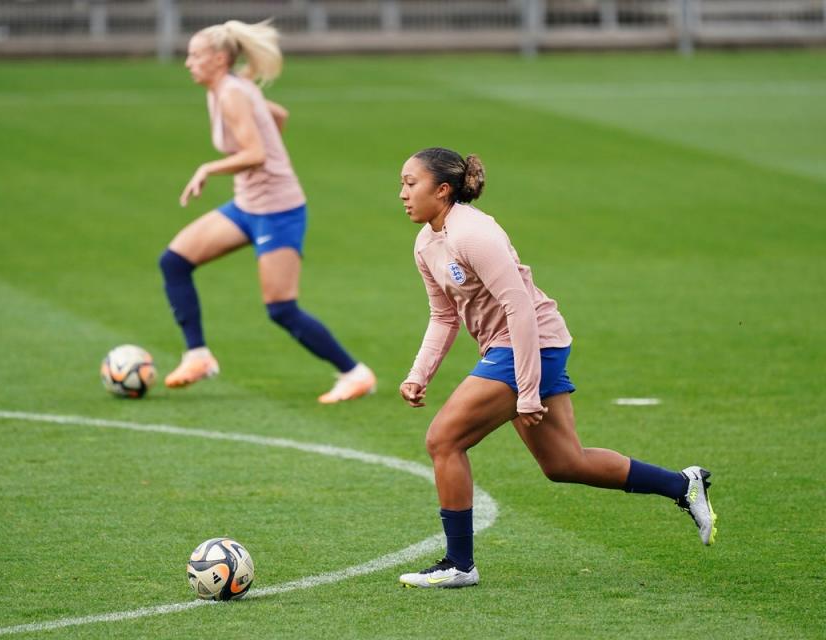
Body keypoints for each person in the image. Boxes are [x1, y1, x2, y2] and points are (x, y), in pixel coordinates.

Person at [395, 147, 717, 588]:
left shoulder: (474, 233)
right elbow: (444, 316)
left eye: (411, 183)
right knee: (564, 463)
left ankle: (459, 564)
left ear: (443, 189)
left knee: (443, 440)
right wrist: (419, 373)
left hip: (529, 344)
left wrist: (526, 391)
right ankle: (683, 485)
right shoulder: (426, 243)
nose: (403, 194)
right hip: (519, 347)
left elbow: (520, 308)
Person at [159, 19, 376, 403]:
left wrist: (209, 167)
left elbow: (256, 153)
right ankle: (198, 355)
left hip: (278, 209)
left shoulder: (231, 94)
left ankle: (355, 374)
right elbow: (278, 115)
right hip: (247, 205)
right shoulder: (225, 88)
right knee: (174, 261)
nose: (187, 62)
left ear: (220, 59)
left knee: (280, 308)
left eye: (195, 55)